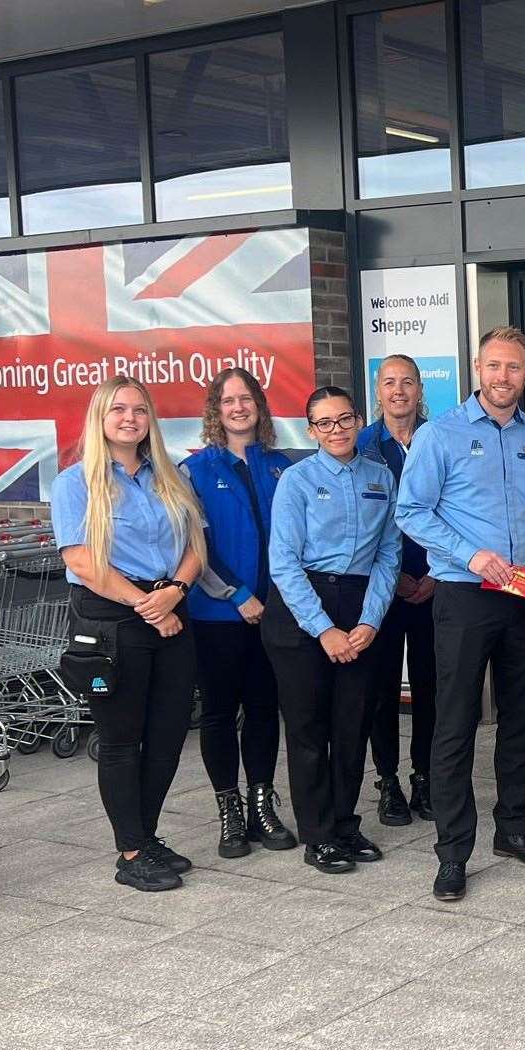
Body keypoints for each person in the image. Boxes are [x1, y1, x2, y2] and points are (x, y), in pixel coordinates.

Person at [397, 326, 525, 903]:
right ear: (478, 369)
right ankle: (453, 853)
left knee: (523, 718)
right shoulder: (439, 435)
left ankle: (513, 829)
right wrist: (471, 554)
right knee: (454, 725)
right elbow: (411, 511)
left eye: (514, 367)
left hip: (523, 596)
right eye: (493, 366)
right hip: (463, 596)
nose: (503, 376)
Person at [52, 376, 206, 892]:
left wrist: (175, 593)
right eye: (118, 409)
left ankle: (148, 832)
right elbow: (82, 561)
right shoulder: (76, 483)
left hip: (170, 607)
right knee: (121, 740)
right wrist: (148, 606)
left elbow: (195, 546)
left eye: (140, 410)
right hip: (113, 618)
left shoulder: (171, 476)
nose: (130, 418)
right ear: (100, 417)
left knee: (166, 738)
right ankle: (132, 849)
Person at [263, 387, 400, 874]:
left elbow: (389, 554)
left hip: (358, 604)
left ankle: (344, 821)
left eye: (344, 419)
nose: (337, 429)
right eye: (324, 423)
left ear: (359, 420)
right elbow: (283, 563)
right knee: (308, 730)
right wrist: (324, 629)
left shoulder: (381, 478)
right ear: (311, 430)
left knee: (352, 726)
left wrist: (369, 620)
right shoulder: (296, 481)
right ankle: (318, 834)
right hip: (302, 612)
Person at [180, 367, 297, 859]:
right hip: (217, 615)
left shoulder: (280, 466)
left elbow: (292, 539)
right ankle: (229, 811)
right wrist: (237, 595)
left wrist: (274, 597)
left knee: (266, 711)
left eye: (246, 398)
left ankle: (262, 804)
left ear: (259, 405)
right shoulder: (195, 470)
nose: (238, 407)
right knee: (221, 714)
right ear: (216, 410)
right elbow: (194, 545)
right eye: (228, 400)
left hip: (275, 612)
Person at [357, 354, 438, 826]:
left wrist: (432, 573)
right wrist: (393, 578)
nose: (399, 391)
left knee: (431, 688)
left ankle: (424, 778)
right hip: (381, 588)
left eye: (407, 382)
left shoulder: (437, 438)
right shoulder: (363, 444)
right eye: (390, 382)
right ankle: (387, 781)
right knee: (381, 690)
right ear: (378, 390)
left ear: (420, 388)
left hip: (434, 583)